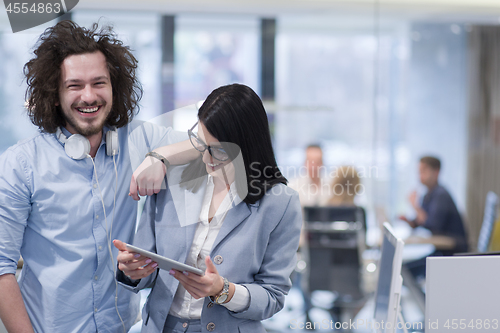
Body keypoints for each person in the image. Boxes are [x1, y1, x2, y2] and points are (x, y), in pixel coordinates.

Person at [0, 21, 185, 332]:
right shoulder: (20, 164)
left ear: (114, 86)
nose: (89, 96)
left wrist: (160, 156)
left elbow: (209, 144)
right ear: (55, 95)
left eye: (99, 83)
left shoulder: (137, 139)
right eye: (74, 85)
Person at [113, 83, 302, 333]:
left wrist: (223, 291)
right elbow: (149, 269)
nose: (206, 159)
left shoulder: (280, 203)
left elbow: (273, 296)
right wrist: (133, 271)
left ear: (248, 146)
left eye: (219, 152)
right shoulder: (173, 180)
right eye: (201, 144)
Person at [399, 156, 468, 279]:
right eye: (419, 171)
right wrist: (410, 221)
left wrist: (415, 206)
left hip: (452, 254)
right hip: (440, 251)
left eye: (424, 171)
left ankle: (421, 298)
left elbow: (433, 224)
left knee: (405, 271)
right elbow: (422, 222)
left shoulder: (441, 195)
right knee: (404, 269)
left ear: (436, 172)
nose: (420, 175)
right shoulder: (429, 194)